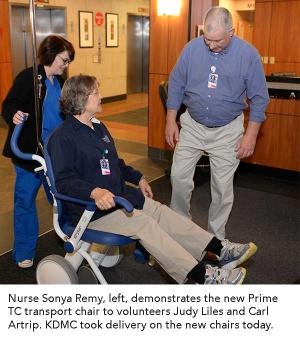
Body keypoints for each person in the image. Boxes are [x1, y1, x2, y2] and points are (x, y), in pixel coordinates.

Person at [47, 74, 258, 285]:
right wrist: (95, 192)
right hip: (92, 210)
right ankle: (205, 278)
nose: (101, 96)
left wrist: (139, 178)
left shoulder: (98, 127)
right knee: (145, 224)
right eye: (96, 93)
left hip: (121, 199)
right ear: (81, 98)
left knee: (162, 213)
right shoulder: (62, 137)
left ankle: (220, 250)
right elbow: (64, 181)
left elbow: (115, 163)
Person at [165, 7, 269, 260]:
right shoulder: (191, 49)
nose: (211, 46)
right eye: (207, 39)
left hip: (228, 131)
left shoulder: (248, 55)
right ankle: (181, 231)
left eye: (217, 40)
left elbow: (259, 98)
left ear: (231, 32)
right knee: (178, 177)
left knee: (222, 188)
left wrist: (251, 135)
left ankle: (216, 243)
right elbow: (176, 84)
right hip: (193, 125)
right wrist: (170, 121)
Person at [2, 35, 75, 268]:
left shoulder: (60, 82)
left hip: (54, 153)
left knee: (61, 199)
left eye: (68, 61)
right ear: (51, 54)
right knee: (25, 202)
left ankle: (73, 242)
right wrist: (13, 115)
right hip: (30, 153)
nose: (66, 64)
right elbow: (8, 104)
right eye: (64, 59)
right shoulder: (30, 77)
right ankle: (24, 251)